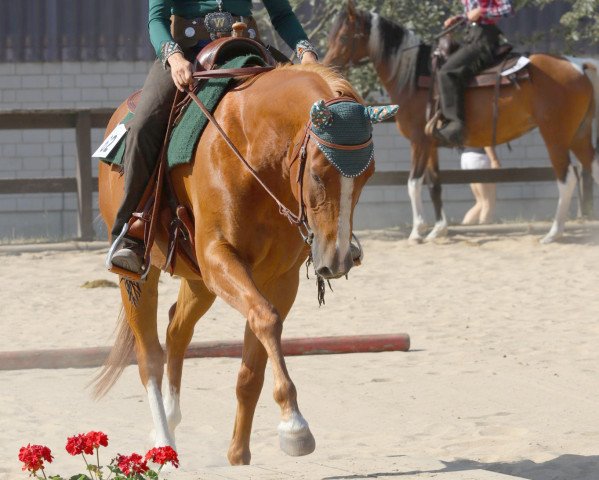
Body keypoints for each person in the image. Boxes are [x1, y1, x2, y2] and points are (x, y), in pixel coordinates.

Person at [109, 0, 318, 274]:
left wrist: (306, 52)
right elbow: (156, 19)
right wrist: (173, 58)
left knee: (315, 108)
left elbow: (281, 14)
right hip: (187, 54)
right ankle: (132, 232)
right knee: (144, 125)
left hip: (248, 48)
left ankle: (326, 228)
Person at [435, 0, 514, 146]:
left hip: (483, 39)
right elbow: (472, 15)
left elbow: (507, 8)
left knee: (447, 72)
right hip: (471, 36)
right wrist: (460, 18)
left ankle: (455, 125)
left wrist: (481, 11)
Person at [461, 146, 501, 224]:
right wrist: (494, 160)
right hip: (480, 157)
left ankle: (465, 226)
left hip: (467, 156)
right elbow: (486, 140)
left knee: (481, 202)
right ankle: (485, 229)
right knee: (488, 202)